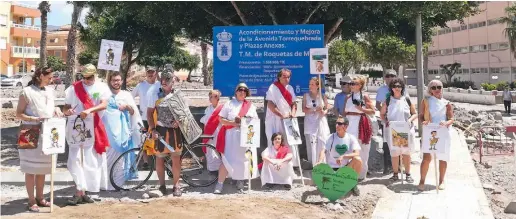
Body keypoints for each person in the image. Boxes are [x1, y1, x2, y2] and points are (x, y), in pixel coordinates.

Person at [16, 67, 63, 212]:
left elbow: (50, 107)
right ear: (41, 76)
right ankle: (31, 200)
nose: (52, 80)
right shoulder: (27, 92)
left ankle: (40, 197)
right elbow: (19, 114)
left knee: (43, 168)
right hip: (30, 132)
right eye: (49, 78)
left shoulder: (49, 91)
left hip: (47, 133)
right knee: (30, 169)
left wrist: (57, 109)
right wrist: (34, 119)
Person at [63, 64, 111, 205]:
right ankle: (79, 189)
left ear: (94, 75)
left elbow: (104, 104)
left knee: (91, 160)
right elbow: (66, 107)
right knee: (74, 160)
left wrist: (90, 110)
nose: (86, 80)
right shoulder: (74, 88)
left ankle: (87, 191)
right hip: (75, 127)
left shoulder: (101, 87)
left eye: (89, 77)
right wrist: (68, 111)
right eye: (84, 77)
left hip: (93, 127)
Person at [213, 83, 259, 194]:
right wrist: (234, 123)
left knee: (244, 160)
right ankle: (220, 184)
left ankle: (240, 182)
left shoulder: (251, 106)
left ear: (247, 93)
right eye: (240, 89)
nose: (242, 92)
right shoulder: (229, 104)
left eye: (244, 90)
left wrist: (245, 120)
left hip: (245, 137)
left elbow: (255, 121)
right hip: (231, 137)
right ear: (236, 91)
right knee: (227, 160)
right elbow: (221, 119)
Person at [103, 72, 143, 191]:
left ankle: (118, 182)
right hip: (108, 132)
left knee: (121, 157)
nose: (116, 82)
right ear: (110, 81)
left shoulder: (126, 95)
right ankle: (105, 183)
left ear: (121, 81)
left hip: (123, 132)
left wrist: (126, 106)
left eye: (118, 80)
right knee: (108, 157)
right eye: (114, 80)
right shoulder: (106, 95)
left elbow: (133, 112)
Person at [146, 71, 183, 197]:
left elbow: (184, 112)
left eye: (168, 79)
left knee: (176, 159)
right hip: (160, 130)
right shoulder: (154, 94)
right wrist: (152, 129)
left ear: (173, 81)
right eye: (163, 79)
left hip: (175, 131)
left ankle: (176, 185)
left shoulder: (178, 95)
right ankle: (162, 186)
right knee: (160, 159)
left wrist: (179, 121)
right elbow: (149, 113)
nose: (165, 82)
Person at [418, 80, 454, 191]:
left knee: (443, 158)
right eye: (433, 88)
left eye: (439, 87)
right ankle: (422, 180)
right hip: (430, 131)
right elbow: (421, 116)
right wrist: (424, 122)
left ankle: (441, 181)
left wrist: (446, 123)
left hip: (443, 132)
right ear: (430, 90)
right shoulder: (426, 101)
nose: (437, 89)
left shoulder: (446, 103)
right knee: (427, 158)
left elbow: (451, 118)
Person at [379, 78, 416, 183]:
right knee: (395, 153)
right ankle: (395, 174)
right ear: (391, 88)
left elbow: (414, 113)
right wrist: (385, 121)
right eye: (395, 86)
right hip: (393, 130)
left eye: (399, 86)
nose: (397, 88)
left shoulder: (406, 100)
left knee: (406, 153)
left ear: (402, 88)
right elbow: (382, 114)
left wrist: (409, 120)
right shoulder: (388, 101)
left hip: (405, 130)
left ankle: (408, 174)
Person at [316, 116, 361, 195]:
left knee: (357, 159)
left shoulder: (351, 138)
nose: (337, 125)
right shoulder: (330, 137)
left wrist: (344, 156)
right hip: (332, 169)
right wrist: (319, 161)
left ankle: (353, 183)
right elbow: (323, 150)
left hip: (345, 168)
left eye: (340, 124)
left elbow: (357, 153)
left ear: (346, 126)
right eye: (336, 123)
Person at [376, 70, 409, 174]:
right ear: (385, 77)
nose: (390, 78)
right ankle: (388, 167)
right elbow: (378, 104)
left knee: (401, 146)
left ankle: (400, 167)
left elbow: (406, 103)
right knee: (387, 145)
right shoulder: (381, 90)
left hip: (401, 125)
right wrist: (386, 115)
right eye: (388, 76)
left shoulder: (403, 89)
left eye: (392, 76)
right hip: (388, 123)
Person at [343, 75, 375, 180]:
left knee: (362, 150)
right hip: (349, 124)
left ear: (360, 85)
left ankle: (361, 175)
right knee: (349, 148)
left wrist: (361, 109)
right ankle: (350, 173)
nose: (351, 85)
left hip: (360, 123)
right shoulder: (348, 97)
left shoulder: (364, 96)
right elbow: (344, 112)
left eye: (354, 83)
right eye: (351, 83)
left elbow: (373, 111)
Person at [265, 68, 299, 167]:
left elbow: (294, 104)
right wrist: (281, 115)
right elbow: (270, 104)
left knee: (289, 141)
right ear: (279, 77)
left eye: (288, 77)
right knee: (276, 141)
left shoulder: (290, 88)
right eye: (284, 77)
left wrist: (292, 113)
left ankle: (290, 165)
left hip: (288, 120)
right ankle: (274, 164)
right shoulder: (273, 87)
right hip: (275, 120)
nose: (286, 79)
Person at [131, 69, 159, 169]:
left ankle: (158, 161)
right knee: (143, 140)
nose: (151, 74)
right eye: (149, 72)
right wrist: (134, 110)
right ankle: (146, 162)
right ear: (146, 74)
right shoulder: (140, 85)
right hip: (143, 118)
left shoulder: (159, 85)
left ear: (156, 73)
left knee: (157, 139)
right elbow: (131, 97)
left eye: (153, 72)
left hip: (156, 118)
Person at [302, 77, 330, 166]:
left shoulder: (323, 96)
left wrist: (323, 111)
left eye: (312, 84)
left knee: (322, 140)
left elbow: (327, 108)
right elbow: (304, 109)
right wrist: (314, 110)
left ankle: (322, 162)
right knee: (312, 142)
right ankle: (314, 163)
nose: (310, 86)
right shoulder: (306, 95)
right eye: (310, 84)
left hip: (320, 121)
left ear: (318, 86)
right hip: (310, 121)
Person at [200, 90, 223, 172]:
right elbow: (205, 122)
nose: (211, 98)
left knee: (221, 152)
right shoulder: (208, 109)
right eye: (210, 97)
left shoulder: (222, 108)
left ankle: (223, 171)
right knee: (210, 152)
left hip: (220, 133)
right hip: (209, 133)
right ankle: (213, 170)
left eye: (214, 96)